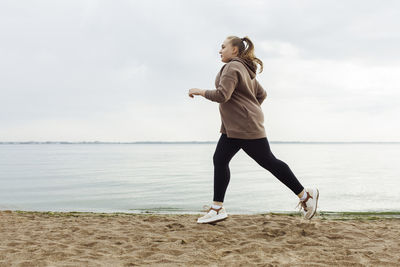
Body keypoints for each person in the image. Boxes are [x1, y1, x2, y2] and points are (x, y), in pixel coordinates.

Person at [188, 35, 319, 224]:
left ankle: (306, 196)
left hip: (243, 126)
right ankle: (217, 208)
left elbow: (223, 95)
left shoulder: (233, 67)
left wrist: (200, 91)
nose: (220, 50)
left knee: (269, 162)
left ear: (234, 50)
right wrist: (249, 108)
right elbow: (261, 94)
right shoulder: (244, 69)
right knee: (220, 159)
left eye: (223, 47)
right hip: (235, 127)